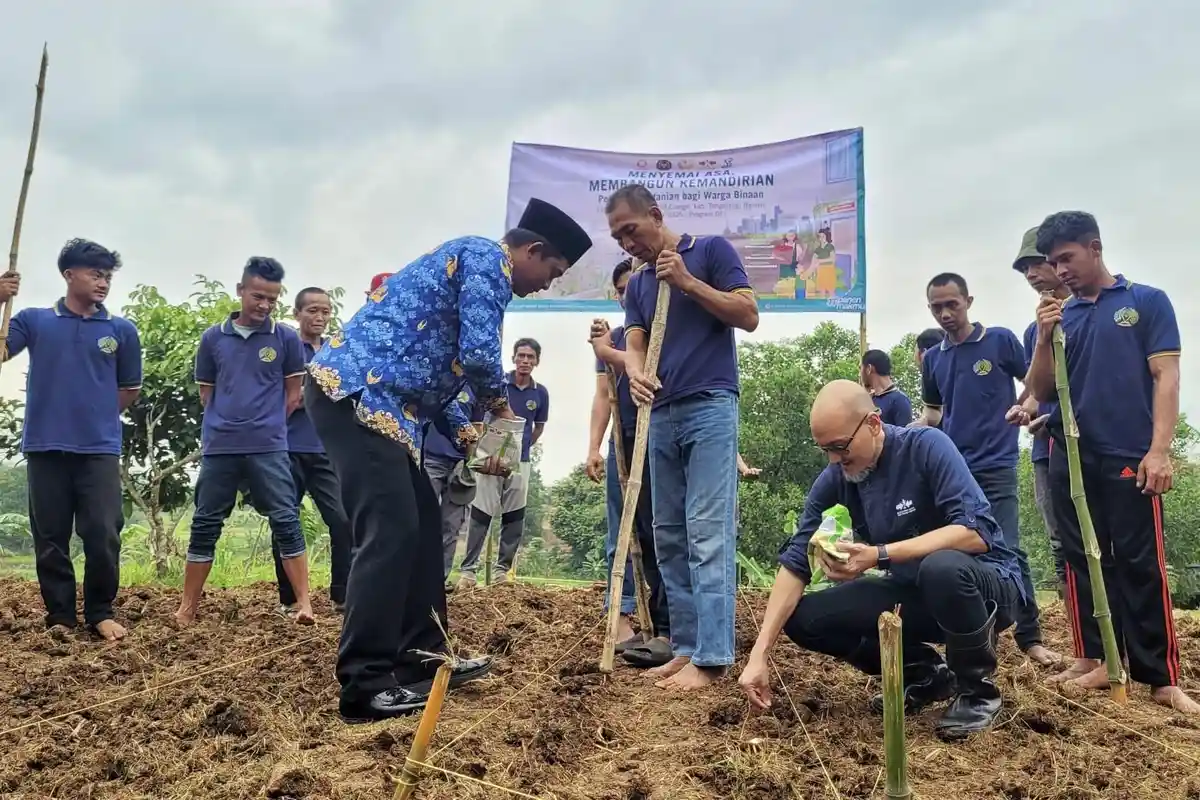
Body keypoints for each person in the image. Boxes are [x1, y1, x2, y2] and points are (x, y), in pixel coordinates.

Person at [306, 197, 592, 722]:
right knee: (390, 531)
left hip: (388, 408)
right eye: (553, 270)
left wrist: (475, 441)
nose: (549, 283)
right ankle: (364, 684)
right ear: (532, 250)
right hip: (354, 396)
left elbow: (447, 378)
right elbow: (483, 355)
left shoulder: (474, 266)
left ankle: (422, 659)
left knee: (418, 525)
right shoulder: (487, 259)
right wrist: (503, 412)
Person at [739, 380, 1023, 739]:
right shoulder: (838, 477)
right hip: (916, 592)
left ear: (873, 424)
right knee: (804, 618)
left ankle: (976, 692)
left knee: (942, 567)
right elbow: (796, 560)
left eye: (840, 447)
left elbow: (975, 533)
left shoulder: (926, 447)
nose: (834, 459)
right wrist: (760, 653)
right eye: (825, 449)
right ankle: (924, 674)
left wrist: (879, 555)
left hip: (984, 590)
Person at [1025, 211, 1197, 713]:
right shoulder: (1061, 317)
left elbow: (1166, 377)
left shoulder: (1146, 302)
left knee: (1141, 562)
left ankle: (1161, 678)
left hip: (1130, 454)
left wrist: (1159, 449)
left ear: (1094, 248)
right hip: (1070, 458)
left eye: (1067, 258)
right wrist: (1041, 338)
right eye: (1053, 262)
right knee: (1080, 559)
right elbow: (1038, 391)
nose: (1060, 271)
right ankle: (1098, 657)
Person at [608, 183, 759, 691]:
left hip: (711, 404)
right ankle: (688, 645)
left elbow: (748, 315)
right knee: (668, 530)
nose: (627, 243)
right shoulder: (640, 284)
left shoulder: (711, 251)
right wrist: (633, 370)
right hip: (661, 412)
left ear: (655, 215)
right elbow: (635, 340)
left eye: (631, 230)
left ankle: (715, 657)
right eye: (618, 237)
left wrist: (690, 283)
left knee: (707, 529)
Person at [0, 239, 141, 641]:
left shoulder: (121, 331)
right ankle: (60, 616)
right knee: (50, 537)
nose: (103, 283)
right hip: (45, 446)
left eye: (108, 276)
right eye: (96, 274)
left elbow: (129, 389)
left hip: (98, 448)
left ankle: (100, 610)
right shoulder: (34, 320)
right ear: (69, 275)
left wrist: (94, 414)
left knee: (102, 531)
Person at [916, 273, 1057, 666]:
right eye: (936, 307)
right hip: (953, 472)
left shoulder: (999, 340)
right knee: (958, 550)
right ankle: (975, 635)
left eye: (951, 304)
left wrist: (1023, 406)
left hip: (996, 462)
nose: (945, 313)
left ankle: (1030, 637)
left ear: (968, 301)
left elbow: (1033, 382)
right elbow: (932, 414)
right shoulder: (934, 360)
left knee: (1007, 547)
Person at [177, 257, 314, 628]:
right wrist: (229, 424)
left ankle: (303, 604)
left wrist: (265, 425)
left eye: (272, 298)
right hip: (220, 446)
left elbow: (292, 394)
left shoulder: (285, 338)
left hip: (268, 445)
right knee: (206, 523)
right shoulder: (212, 338)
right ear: (240, 291)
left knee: (286, 519)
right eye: (258, 296)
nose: (264, 305)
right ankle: (187, 608)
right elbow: (207, 393)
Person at [587, 258, 672, 668]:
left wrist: (609, 351)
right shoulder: (616, 338)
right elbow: (604, 396)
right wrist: (593, 447)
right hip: (622, 443)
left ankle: (662, 622)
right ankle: (619, 618)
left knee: (660, 531)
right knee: (620, 532)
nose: (628, 294)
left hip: (658, 439)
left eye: (634, 286)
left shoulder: (662, 335)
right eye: (622, 288)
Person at [248, 287, 354, 616]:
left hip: (324, 450)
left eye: (325, 311)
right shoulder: (283, 347)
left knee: (343, 520)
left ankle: (342, 596)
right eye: (312, 311)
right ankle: (289, 600)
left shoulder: (336, 352)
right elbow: (270, 397)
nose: (319, 317)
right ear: (297, 314)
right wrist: (307, 394)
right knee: (285, 522)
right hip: (285, 449)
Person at [1011, 228, 1080, 636]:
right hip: (1046, 451)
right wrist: (1024, 409)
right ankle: (1081, 640)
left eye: (1037, 263)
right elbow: (1038, 390)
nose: (1032, 273)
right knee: (1062, 547)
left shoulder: (1088, 316)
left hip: (1088, 445)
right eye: (1025, 268)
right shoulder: (1031, 331)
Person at [457, 338, 549, 586]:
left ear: (536, 361)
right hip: (490, 460)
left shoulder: (540, 393)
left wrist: (521, 449)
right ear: (513, 358)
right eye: (521, 356)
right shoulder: (498, 386)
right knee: (481, 511)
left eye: (530, 357)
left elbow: (537, 428)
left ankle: (502, 572)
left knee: (514, 515)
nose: (525, 361)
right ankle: (468, 571)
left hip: (521, 462)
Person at [425, 384, 479, 586]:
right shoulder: (438, 378)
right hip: (430, 459)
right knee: (424, 519)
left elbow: (478, 427)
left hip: (460, 463)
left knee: (451, 524)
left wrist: (470, 463)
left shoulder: (474, 388)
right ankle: (417, 578)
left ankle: (438, 581)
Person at [861, 349, 913, 426]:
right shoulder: (869, 399)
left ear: (869, 369)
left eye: (860, 368)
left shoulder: (900, 400)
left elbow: (904, 436)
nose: (860, 374)